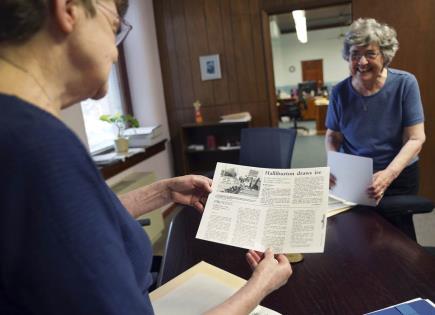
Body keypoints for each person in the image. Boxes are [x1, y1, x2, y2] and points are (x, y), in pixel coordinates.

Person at [0, 1, 292, 314]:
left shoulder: (16, 132)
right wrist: (260, 286)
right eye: (114, 27)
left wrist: (163, 191)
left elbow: (70, 230)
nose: (115, 52)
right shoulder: (42, 148)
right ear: (68, 9)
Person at [325, 18, 425, 204]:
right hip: (355, 176)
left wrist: (389, 174)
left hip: (398, 174)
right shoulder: (339, 92)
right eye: (355, 54)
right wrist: (333, 164)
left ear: (384, 56)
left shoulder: (405, 83)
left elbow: (416, 138)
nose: (362, 62)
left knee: (399, 229)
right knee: (358, 228)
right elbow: (333, 137)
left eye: (370, 54)